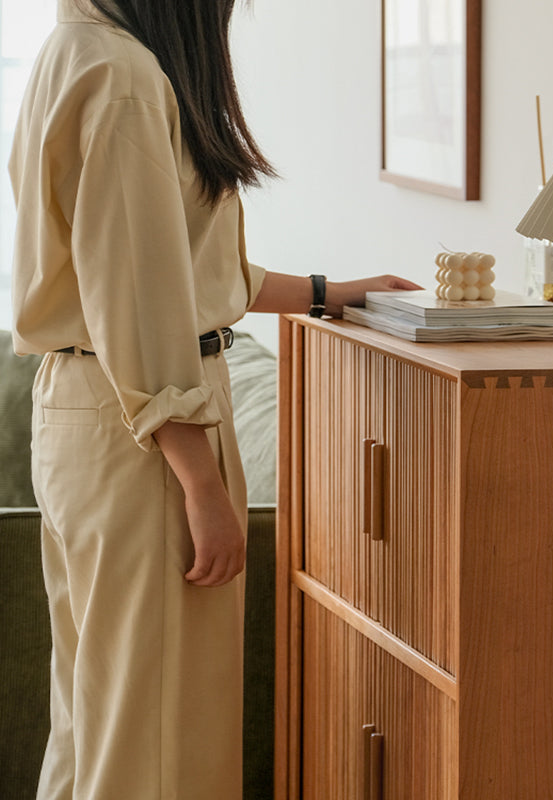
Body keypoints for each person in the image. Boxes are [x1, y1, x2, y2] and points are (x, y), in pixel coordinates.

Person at [9, 1, 421, 797]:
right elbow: (142, 302)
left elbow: (173, 270)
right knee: (159, 742)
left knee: (99, 726)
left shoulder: (76, 50)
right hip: (144, 433)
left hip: (85, 410)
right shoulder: (125, 78)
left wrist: (333, 291)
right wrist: (200, 483)